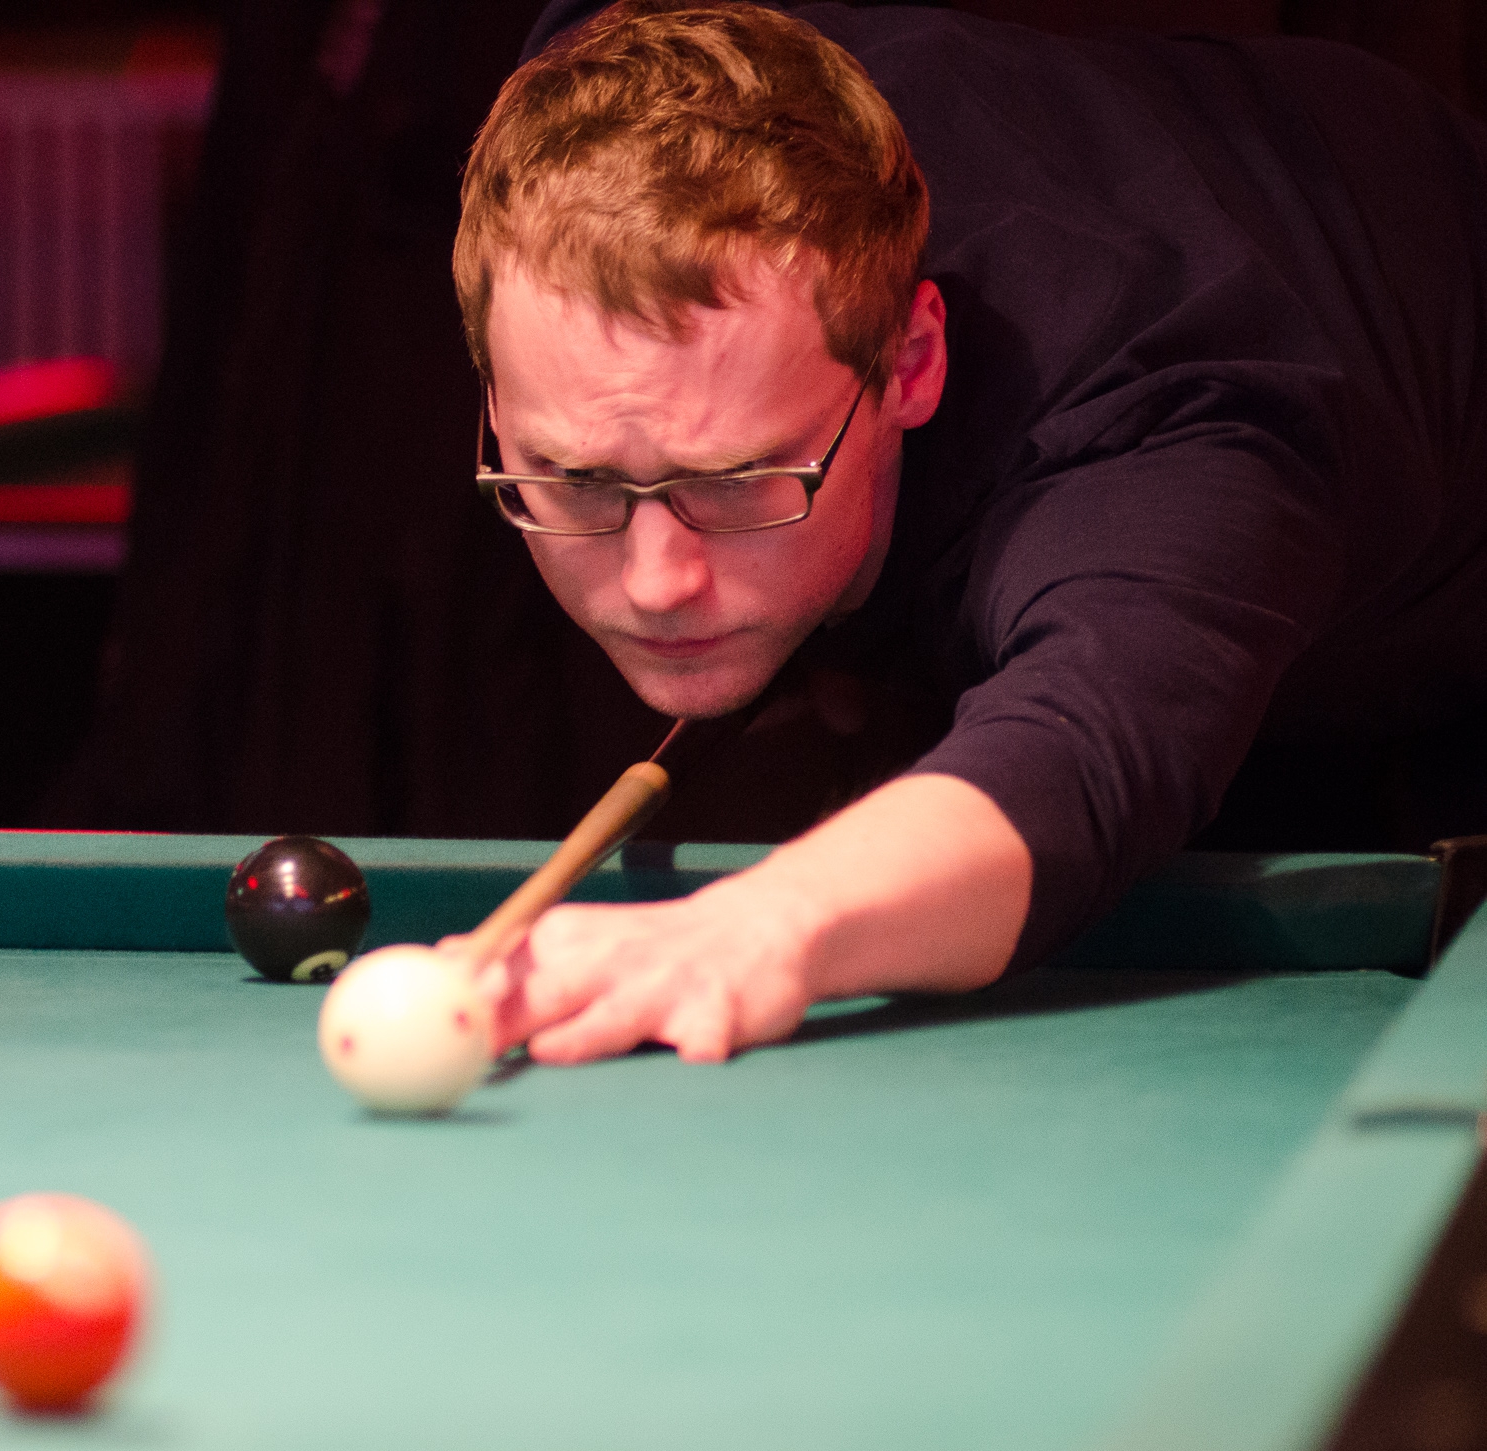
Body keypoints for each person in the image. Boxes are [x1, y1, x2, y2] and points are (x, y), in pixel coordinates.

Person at [464, 1, 1487, 1065]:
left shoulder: (1159, 431)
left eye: (737, 482)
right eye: (577, 479)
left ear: (910, 365)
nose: (655, 582)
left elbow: (1082, 753)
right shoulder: (587, 117)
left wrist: (752, 930)